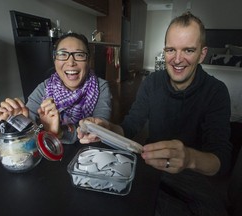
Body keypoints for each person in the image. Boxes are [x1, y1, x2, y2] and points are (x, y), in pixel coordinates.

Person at [77, 12, 232, 216]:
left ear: (202, 54)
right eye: (171, 50)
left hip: (194, 179)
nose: (177, 60)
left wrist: (188, 158)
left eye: (188, 50)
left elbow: (220, 161)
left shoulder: (216, 91)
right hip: (151, 170)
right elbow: (131, 126)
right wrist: (107, 129)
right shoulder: (151, 82)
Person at [0, 33, 112, 144]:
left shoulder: (100, 87)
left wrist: (59, 133)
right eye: (62, 54)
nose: (71, 62)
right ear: (55, 60)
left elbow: (99, 128)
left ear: (89, 61)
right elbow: (29, 122)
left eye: (79, 55)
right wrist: (16, 123)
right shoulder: (44, 88)